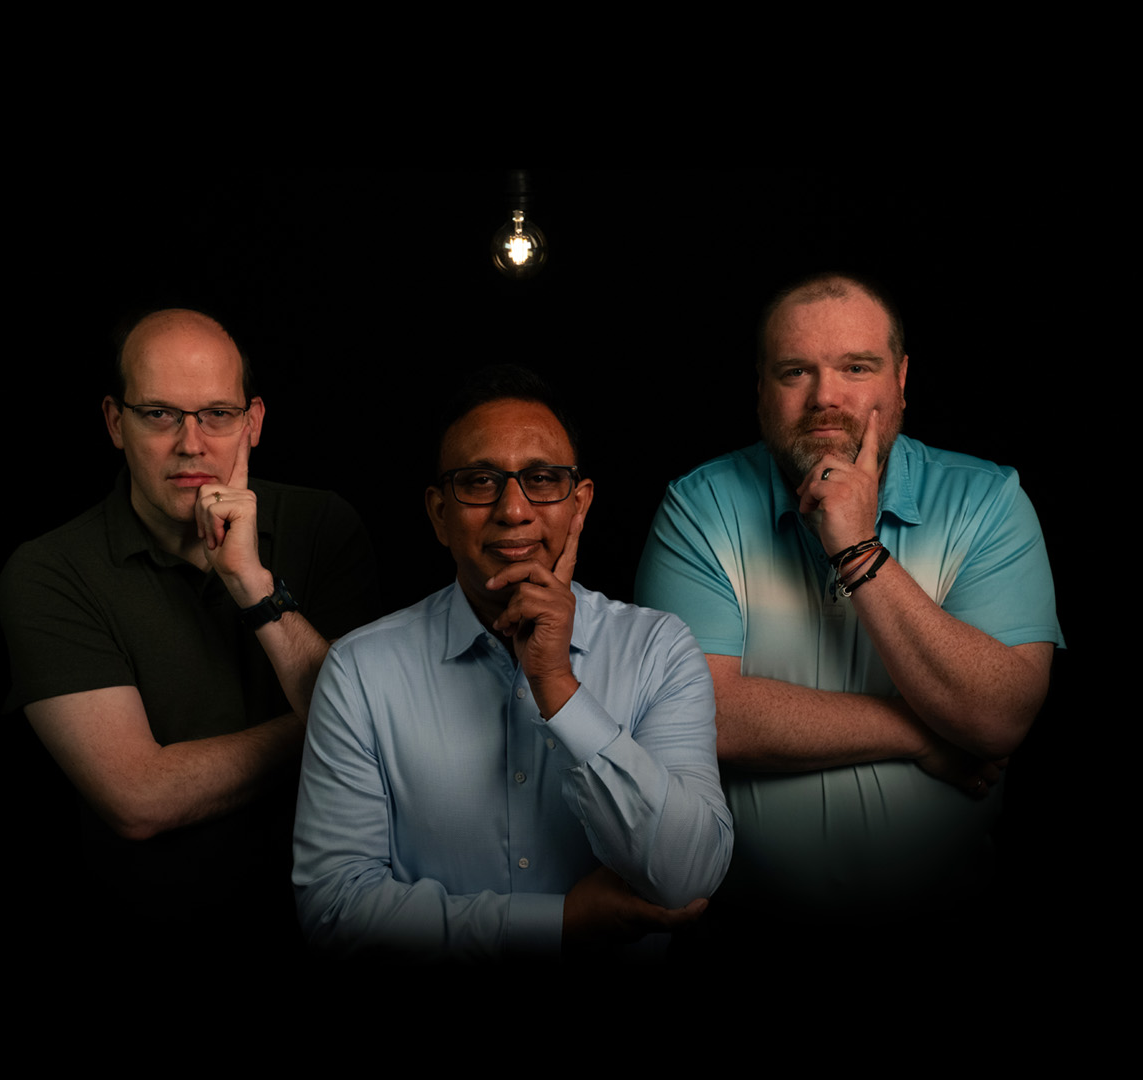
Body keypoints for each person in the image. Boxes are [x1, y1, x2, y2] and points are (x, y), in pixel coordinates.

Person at [634, 272, 1063, 949]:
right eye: (795, 371)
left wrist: (859, 549)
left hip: (955, 924)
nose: (825, 396)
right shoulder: (699, 507)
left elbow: (997, 715)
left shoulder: (988, 502)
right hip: (744, 928)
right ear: (761, 389)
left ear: (900, 381)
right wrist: (921, 735)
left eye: (856, 368)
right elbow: (700, 717)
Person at [292, 365, 731, 963]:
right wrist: (558, 924)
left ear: (580, 506)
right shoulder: (360, 671)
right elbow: (335, 909)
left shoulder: (659, 649)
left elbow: (689, 877)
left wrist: (558, 687)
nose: (514, 510)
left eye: (542, 479)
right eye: (479, 482)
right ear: (439, 513)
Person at [0, 309, 378, 960]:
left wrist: (254, 585)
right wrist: (334, 724)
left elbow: (393, 745)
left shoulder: (323, 525)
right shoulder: (50, 571)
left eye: (216, 415)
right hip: (155, 943)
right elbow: (137, 796)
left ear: (253, 422)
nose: (191, 444)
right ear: (116, 423)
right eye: (160, 415)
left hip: (349, 926)